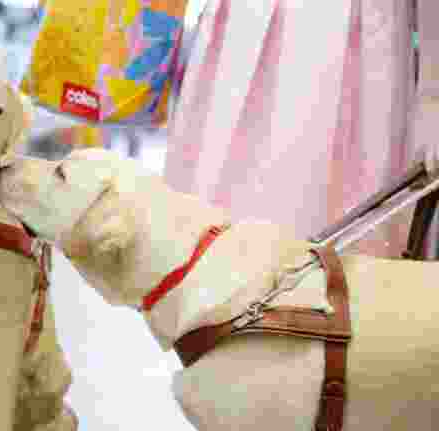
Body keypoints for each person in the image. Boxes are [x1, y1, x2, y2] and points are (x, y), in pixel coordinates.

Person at [165, 0, 438, 257]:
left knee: (335, 269)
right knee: (208, 250)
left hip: (351, 44)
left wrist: (432, 92)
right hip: (244, 34)